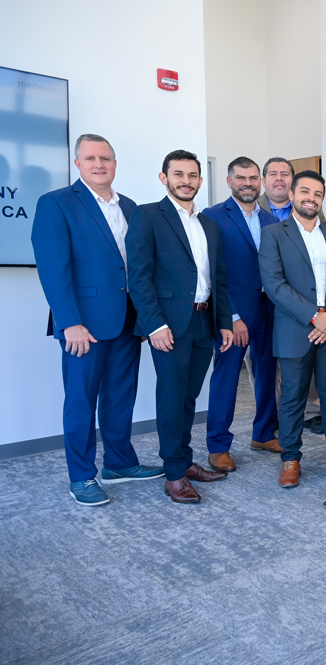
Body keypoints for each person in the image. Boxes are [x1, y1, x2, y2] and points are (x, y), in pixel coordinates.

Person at [32, 134, 163, 506]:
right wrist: (68, 321)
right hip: (83, 325)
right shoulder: (57, 203)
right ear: (78, 164)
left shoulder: (131, 207)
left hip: (127, 321)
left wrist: (146, 318)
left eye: (105, 158)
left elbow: (138, 266)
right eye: (90, 158)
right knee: (81, 401)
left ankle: (119, 464)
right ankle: (81, 476)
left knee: (121, 396)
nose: (99, 164)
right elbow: (53, 269)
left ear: (115, 164)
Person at [126, 150, 234, 504]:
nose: (186, 181)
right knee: (172, 398)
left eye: (192, 175)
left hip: (204, 321)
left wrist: (224, 323)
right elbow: (138, 276)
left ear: (200, 180)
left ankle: (185, 461)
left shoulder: (209, 225)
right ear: (164, 178)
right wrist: (154, 324)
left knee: (189, 396)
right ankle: (174, 473)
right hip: (169, 325)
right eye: (178, 174)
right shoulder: (147, 216)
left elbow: (218, 279)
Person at [259, 170, 326, 488]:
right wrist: (315, 317)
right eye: (305, 191)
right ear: (291, 195)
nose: (311, 198)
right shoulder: (274, 234)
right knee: (292, 398)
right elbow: (273, 284)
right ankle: (290, 458)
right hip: (295, 329)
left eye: (317, 194)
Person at [202, 157, 281, 472]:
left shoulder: (271, 220)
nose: (248, 183)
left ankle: (264, 433)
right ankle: (218, 445)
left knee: (267, 373)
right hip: (233, 313)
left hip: (269, 309)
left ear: (260, 181)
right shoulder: (212, 217)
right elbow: (211, 271)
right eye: (241, 178)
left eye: (253, 178)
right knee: (227, 377)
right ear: (229, 181)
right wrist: (231, 316)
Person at [259, 156, 325, 432]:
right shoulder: (257, 212)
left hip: (307, 308)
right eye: (273, 173)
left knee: (303, 368)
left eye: (285, 173)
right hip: (263, 302)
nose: (279, 178)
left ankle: (310, 413)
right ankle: (271, 424)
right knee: (266, 368)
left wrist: (319, 314)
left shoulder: (316, 216)